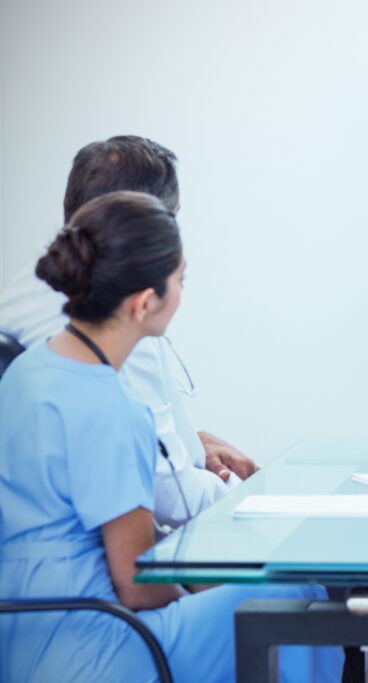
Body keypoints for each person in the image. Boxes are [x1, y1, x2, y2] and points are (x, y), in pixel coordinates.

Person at [0, 192, 343, 681]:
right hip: (98, 647)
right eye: (180, 280)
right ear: (145, 302)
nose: (182, 292)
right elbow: (138, 586)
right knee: (296, 598)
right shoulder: (114, 407)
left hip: (20, 639)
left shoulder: (23, 369)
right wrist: (206, 583)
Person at [0, 136, 257, 530]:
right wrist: (255, 498)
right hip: (96, 574)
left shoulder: (29, 292)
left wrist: (189, 445)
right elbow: (166, 495)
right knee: (308, 582)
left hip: (38, 566)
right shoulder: (106, 329)